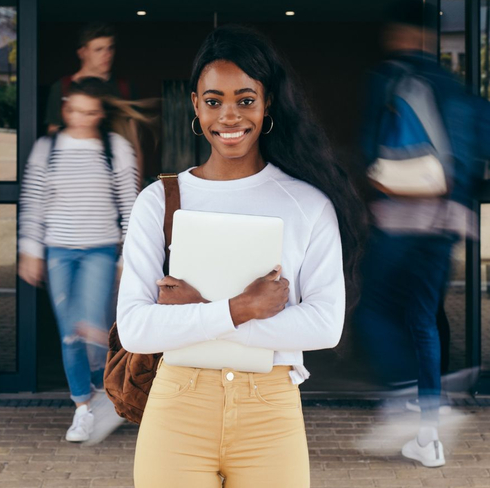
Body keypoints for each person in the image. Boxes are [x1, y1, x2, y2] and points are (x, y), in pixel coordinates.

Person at [116, 24, 366, 487]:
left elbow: (324, 325)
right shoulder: (160, 200)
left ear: (267, 102)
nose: (229, 116)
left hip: (269, 413)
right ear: (195, 104)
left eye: (245, 99)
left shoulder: (308, 203)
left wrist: (199, 316)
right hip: (178, 408)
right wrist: (241, 308)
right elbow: (135, 328)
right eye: (214, 101)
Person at [357, 0, 490, 467]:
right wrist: (457, 198)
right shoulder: (455, 85)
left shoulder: (389, 77)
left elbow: (369, 147)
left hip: (401, 217)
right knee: (422, 319)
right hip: (448, 221)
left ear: (397, 34)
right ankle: (429, 432)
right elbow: (486, 139)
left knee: (372, 311)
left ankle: (406, 400)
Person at [19, 78, 142, 443]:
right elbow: (33, 200)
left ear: (100, 112)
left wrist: (125, 257)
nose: (82, 118)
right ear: (65, 108)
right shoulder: (48, 148)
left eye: (90, 112)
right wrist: (30, 249)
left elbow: (130, 204)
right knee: (69, 332)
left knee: (89, 323)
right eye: (75, 110)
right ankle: (83, 409)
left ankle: (108, 393)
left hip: (100, 251)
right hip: (58, 250)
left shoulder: (114, 147)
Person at [44, 22, 145, 184]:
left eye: (110, 48)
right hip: (73, 176)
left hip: (116, 176)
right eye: (98, 49)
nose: (107, 55)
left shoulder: (124, 88)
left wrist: (136, 186)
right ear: (82, 52)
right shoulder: (63, 87)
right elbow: (52, 136)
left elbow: (135, 141)